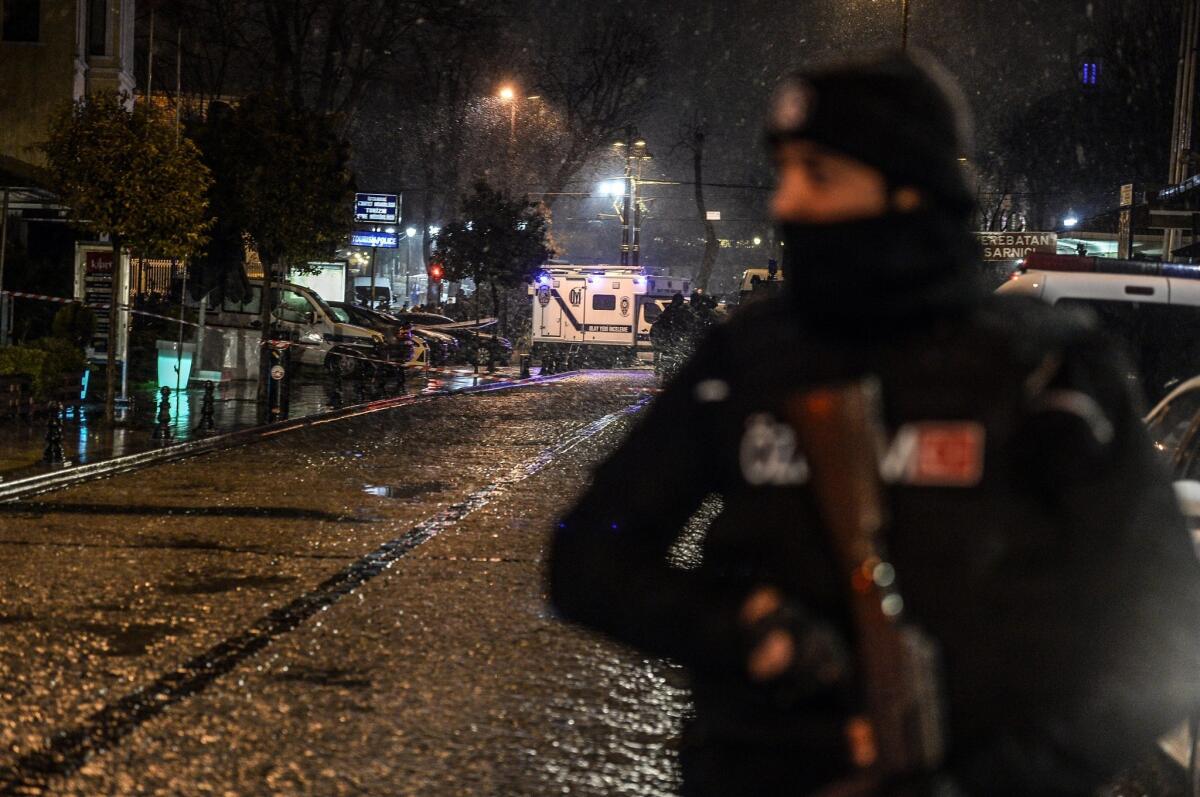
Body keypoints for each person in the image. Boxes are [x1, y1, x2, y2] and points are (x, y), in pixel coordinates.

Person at [548, 51, 1200, 796]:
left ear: (906, 189)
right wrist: (748, 628)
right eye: (783, 170)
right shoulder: (749, 359)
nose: (786, 202)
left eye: (819, 174)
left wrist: (1004, 776)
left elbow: (1169, 631)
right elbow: (588, 561)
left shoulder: (1046, 371)